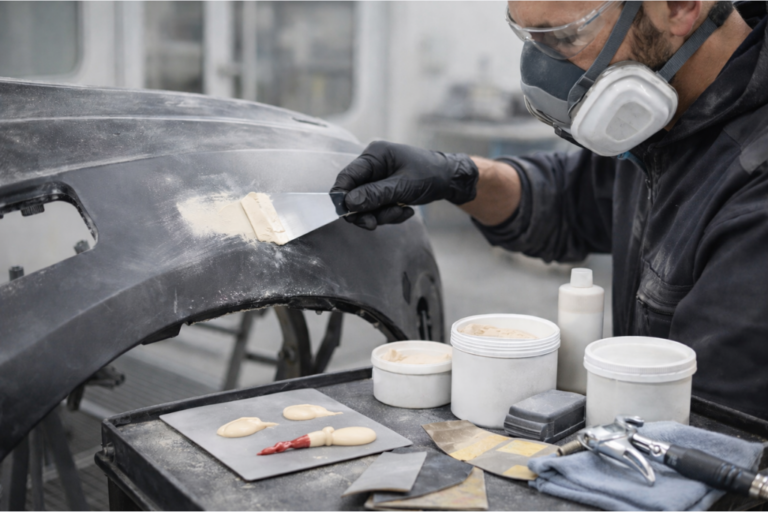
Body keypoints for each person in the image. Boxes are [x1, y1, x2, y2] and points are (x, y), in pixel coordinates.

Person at [331, 1, 768, 420]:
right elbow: (568, 200)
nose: (543, 70)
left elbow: (712, 435)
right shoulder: (671, 117)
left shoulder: (755, 187)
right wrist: (457, 176)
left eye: (566, 36)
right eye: (531, 38)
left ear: (678, 7)